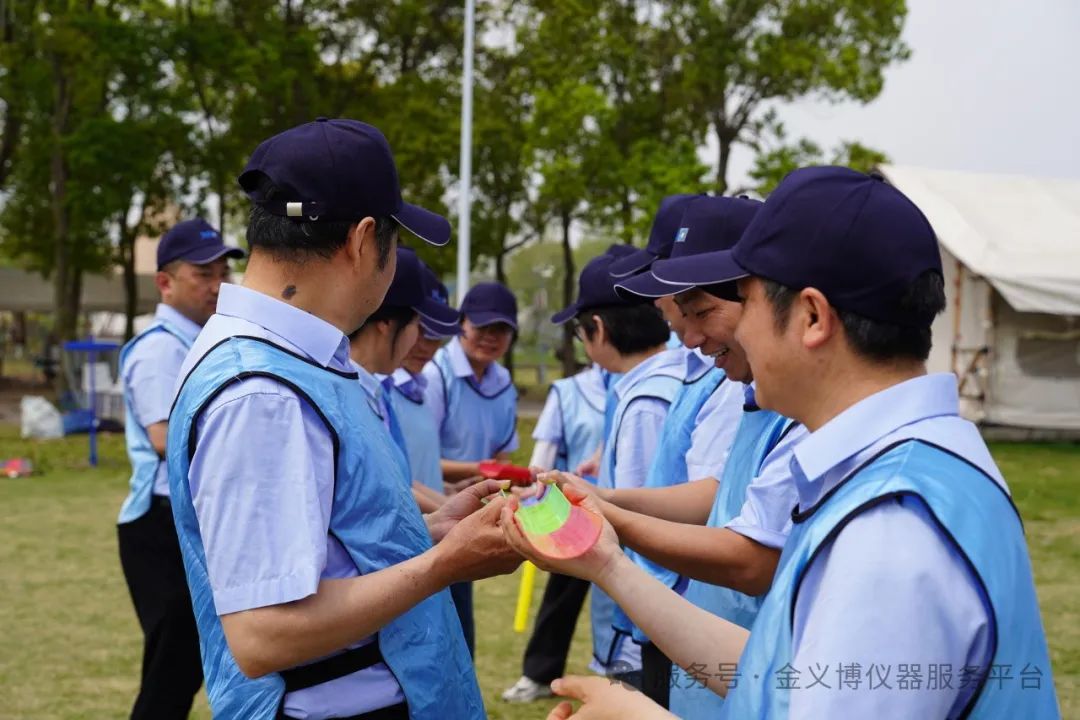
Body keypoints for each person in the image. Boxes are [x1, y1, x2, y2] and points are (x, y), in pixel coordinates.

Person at [503, 167, 1059, 719]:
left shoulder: (889, 530)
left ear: (812, 316)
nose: (726, 334)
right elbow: (790, 672)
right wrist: (607, 564)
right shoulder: (915, 468)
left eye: (746, 301)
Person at [165, 118, 521, 720]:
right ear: (362, 240)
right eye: (395, 244)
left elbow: (317, 545)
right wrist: (445, 564)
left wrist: (431, 532)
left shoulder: (293, 364)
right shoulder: (262, 394)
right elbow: (265, 633)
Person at [606, 195, 761, 708]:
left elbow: (750, 559)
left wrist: (610, 530)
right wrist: (606, 502)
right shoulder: (747, 390)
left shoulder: (781, 409)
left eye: (702, 311)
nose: (688, 337)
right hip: (704, 635)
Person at [117, 217, 243, 720]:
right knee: (174, 666)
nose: (217, 285)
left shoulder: (204, 341)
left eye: (222, 273)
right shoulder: (159, 348)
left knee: (187, 662)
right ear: (164, 283)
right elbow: (165, 439)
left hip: (187, 516)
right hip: (159, 521)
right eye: (203, 274)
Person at [550, 249, 684, 686]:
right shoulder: (671, 380)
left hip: (650, 610)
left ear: (599, 329)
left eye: (580, 333)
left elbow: (639, 513)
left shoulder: (645, 400)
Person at [422, 280, 520, 655]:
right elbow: (420, 460)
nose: (491, 337)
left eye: (502, 329)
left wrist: (497, 477)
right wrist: (479, 470)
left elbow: (502, 456)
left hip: (471, 511)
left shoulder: (503, 381)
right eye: (482, 326)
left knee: (459, 628)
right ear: (461, 323)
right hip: (432, 508)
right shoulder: (435, 374)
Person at [501, 360, 608, 703]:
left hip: (631, 513)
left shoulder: (656, 381)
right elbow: (543, 457)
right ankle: (539, 674)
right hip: (574, 515)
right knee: (562, 595)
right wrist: (534, 493)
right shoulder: (569, 391)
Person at [347, 247, 461, 512]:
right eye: (417, 326)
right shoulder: (350, 396)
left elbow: (401, 482)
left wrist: (455, 511)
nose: (420, 342)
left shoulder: (374, 392)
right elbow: (385, 493)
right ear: (386, 323)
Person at [386, 264, 461, 511]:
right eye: (420, 330)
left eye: (437, 335)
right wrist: (450, 512)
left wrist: (448, 491)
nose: (427, 346)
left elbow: (414, 472)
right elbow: (391, 483)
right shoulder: (379, 391)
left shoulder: (418, 387)